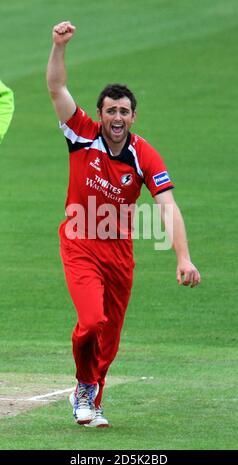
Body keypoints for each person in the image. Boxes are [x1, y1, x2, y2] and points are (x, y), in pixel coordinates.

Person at [47, 21, 201, 428]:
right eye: (110, 110)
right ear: (99, 114)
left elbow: (167, 205)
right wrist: (58, 47)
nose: (117, 117)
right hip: (80, 241)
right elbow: (57, 89)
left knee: (109, 340)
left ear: (133, 116)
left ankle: (93, 400)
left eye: (124, 111)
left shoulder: (144, 154)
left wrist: (183, 258)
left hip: (119, 252)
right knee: (92, 321)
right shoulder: (81, 134)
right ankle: (83, 387)